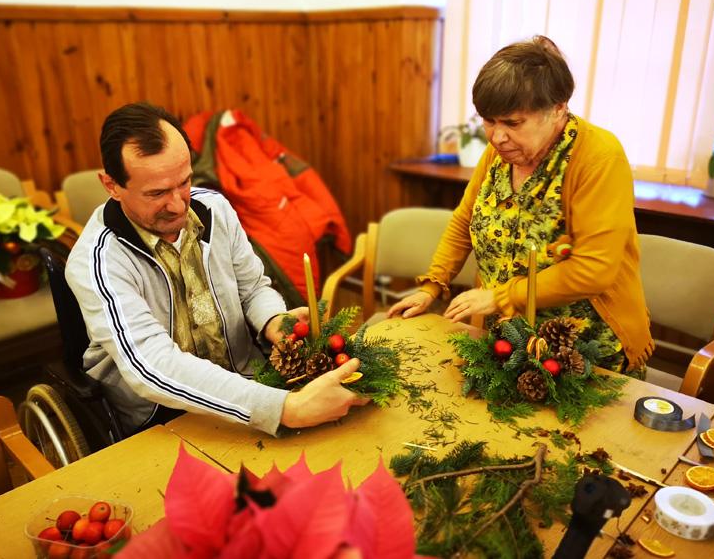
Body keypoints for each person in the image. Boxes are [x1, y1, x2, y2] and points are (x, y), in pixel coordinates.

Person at [66, 102, 368, 436]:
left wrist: (272, 320)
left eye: (184, 181)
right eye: (157, 193)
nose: (180, 205)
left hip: (247, 384)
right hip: (161, 414)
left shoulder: (215, 208)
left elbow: (253, 288)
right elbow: (151, 366)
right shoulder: (98, 261)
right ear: (111, 185)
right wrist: (284, 409)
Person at [388, 36, 653, 377]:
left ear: (558, 108)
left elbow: (594, 268)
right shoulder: (500, 153)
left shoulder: (598, 157)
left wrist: (500, 296)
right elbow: (464, 222)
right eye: (488, 121)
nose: (497, 137)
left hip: (586, 349)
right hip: (511, 338)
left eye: (513, 123)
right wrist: (432, 285)